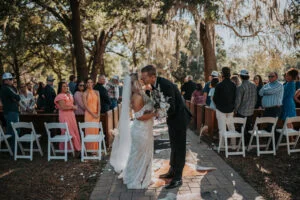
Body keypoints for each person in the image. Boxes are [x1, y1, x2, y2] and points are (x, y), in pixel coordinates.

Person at [141, 65, 191, 189]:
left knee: (179, 147)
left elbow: (171, 107)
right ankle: (172, 170)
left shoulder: (165, 85)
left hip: (179, 118)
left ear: (153, 77)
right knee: (173, 145)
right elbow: (160, 103)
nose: (142, 79)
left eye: (144, 77)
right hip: (172, 119)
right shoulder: (154, 85)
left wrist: (158, 113)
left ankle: (178, 177)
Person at [110, 73, 156, 189]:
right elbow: (139, 116)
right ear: (133, 83)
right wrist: (156, 113)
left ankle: (144, 177)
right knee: (140, 155)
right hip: (141, 130)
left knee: (142, 154)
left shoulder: (140, 94)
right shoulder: (137, 96)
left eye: (141, 80)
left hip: (145, 129)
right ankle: (138, 179)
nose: (141, 82)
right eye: (138, 81)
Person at [54, 82, 81, 153]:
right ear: (60, 88)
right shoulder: (60, 96)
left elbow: (71, 103)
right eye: (63, 86)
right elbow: (63, 107)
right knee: (68, 131)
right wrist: (73, 107)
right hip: (64, 115)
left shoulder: (68, 94)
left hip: (71, 115)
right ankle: (68, 149)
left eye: (66, 86)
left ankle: (75, 148)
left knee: (74, 130)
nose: (66, 87)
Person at [213, 67, 236, 147]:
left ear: (222, 74)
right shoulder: (233, 85)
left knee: (222, 128)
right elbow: (235, 97)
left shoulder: (219, 85)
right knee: (231, 127)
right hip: (230, 108)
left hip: (220, 109)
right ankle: (233, 145)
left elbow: (215, 98)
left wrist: (218, 105)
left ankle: (222, 145)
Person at [235, 69, 257, 144]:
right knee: (248, 128)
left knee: (242, 128)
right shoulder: (254, 85)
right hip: (251, 111)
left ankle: (243, 144)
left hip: (242, 111)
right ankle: (248, 144)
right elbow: (255, 98)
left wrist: (235, 109)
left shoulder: (240, 87)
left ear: (240, 76)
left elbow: (238, 101)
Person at [0, 72, 21, 152]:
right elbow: (18, 97)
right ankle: (14, 149)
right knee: (14, 131)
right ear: (6, 80)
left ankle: (12, 149)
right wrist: (15, 97)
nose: (12, 81)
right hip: (11, 112)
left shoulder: (7, 88)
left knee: (11, 131)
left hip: (10, 112)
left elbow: (16, 98)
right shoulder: (6, 88)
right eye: (11, 79)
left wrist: (15, 98)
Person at [83, 78, 101, 152]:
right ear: (86, 84)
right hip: (89, 114)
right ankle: (89, 150)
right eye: (88, 82)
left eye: (91, 82)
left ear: (93, 83)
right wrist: (93, 114)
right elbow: (85, 106)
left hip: (96, 114)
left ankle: (95, 149)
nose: (90, 84)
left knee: (95, 131)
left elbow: (99, 104)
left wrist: (98, 113)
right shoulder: (85, 93)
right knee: (89, 131)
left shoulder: (97, 92)